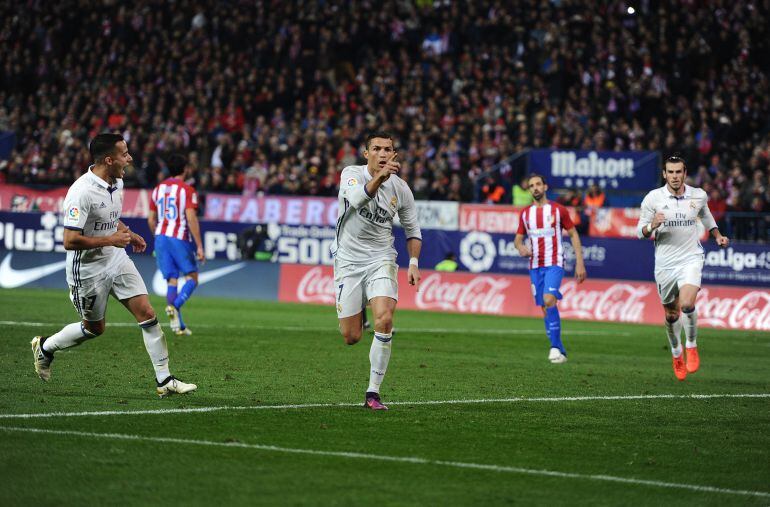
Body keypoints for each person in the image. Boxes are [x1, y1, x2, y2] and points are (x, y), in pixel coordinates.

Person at [30, 133, 196, 397]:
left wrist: (128, 234)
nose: (129, 158)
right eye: (124, 154)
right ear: (109, 159)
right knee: (94, 328)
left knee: (148, 314)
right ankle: (46, 347)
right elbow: (70, 240)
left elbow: (109, 217)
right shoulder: (81, 192)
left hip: (116, 258)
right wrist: (111, 239)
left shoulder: (117, 183)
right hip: (87, 270)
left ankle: (165, 381)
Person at [332, 131, 422, 410]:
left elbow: (412, 229)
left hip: (381, 258)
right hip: (347, 261)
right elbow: (358, 200)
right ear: (366, 153)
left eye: (388, 149)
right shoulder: (351, 174)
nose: (383, 153)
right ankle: (358, 304)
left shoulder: (401, 188)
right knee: (351, 337)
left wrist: (414, 262)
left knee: (384, 319)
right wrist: (381, 177)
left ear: (394, 155)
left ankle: (373, 393)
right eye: (377, 148)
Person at [636, 155, 729, 381]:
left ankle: (692, 346)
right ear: (664, 174)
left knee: (687, 304)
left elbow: (705, 215)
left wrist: (717, 235)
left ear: (685, 173)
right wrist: (652, 225)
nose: (675, 176)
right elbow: (639, 232)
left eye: (679, 172)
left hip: (691, 257)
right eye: (671, 172)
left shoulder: (698, 195)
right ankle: (677, 354)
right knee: (670, 314)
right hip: (665, 264)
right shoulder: (653, 198)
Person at [514, 174, 587, 364]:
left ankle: (554, 348)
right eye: (531, 186)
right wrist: (521, 248)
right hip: (535, 266)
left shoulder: (558, 210)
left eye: (538, 184)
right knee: (545, 308)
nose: (535, 188)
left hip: (555, 262)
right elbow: (518, 238)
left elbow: (573, 234)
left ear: (545, 187)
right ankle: (560, 349)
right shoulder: (525, 214)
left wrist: (580, 262)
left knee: (549, 299)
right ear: (529, 190)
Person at [148, 153, 205, 335]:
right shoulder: (187, 190)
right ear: (185, 169)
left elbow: (150, 219)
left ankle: (178, 326)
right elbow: (191, 218)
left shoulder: (157, 189)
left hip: (160, 238)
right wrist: (200, 246)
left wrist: (158, 238)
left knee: (172, 280)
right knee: (192, 277)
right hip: (179, 238)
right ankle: (176, 305)